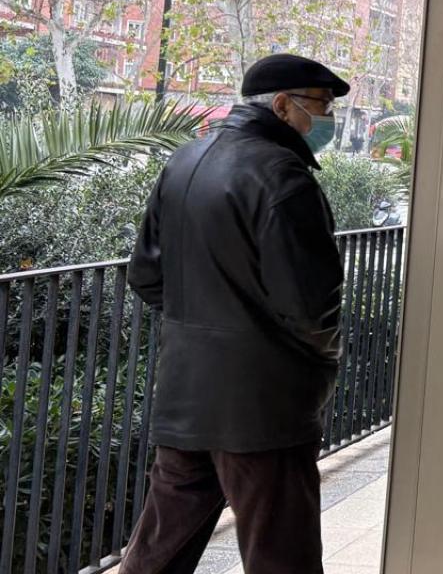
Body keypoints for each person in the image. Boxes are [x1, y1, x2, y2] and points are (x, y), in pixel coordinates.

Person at [120, 54, 350, 574]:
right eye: (322, 105)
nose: (329, 118)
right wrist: (316, 362)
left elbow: (146, 276)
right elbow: (311, 304)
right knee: (280, 553)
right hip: (263, 405)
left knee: (158, 552)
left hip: (185, 393)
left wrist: (206, 326)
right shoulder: (283, 176)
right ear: (283, 105)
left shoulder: (184, 161)